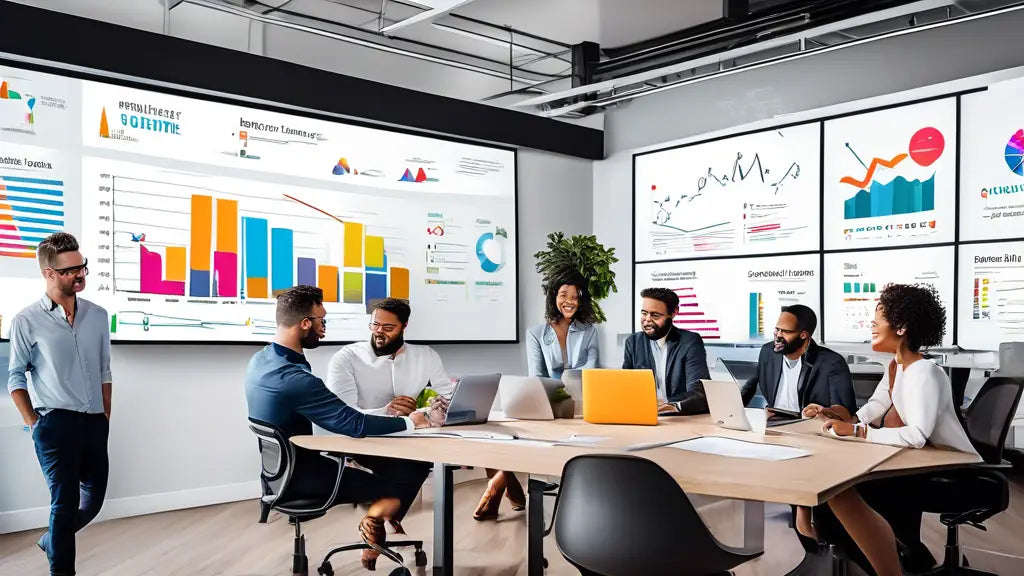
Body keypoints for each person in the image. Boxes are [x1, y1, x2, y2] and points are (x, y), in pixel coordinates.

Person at [245, 286, 448, 570]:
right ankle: (380, 527)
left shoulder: (262, 361)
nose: (323, 329)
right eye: (321, 321)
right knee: (394, 491)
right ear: (305, 323)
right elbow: (352, 422)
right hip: (306, 476)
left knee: (410, 466)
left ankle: (385, 530)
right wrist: (411, 421)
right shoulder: (297, 379)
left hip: (280, 473)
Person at [800, 284, 977, 576]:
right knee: (840, 492)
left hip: (955, 472)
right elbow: (871, 410)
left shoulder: (925, 372)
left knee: (847, 491)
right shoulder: (896, 367)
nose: (871, 323)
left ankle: (891, 566)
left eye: (878, 318)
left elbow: (917, 435)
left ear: (903, 326)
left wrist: (858, 433)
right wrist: (831, 415)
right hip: (925, 466)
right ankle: (902, 559)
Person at [7, 232, 112, 576]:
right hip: (55, 425)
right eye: (70, 270)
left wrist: (105, 415)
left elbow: (104, 370)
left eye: (82, 266)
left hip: (95, 423)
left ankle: (52, 539)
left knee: (93, 502)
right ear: (49, 273)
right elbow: (16, 378)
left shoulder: (98, 315)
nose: (80, 274)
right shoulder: (26, 320)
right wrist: (34, 422)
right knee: (64, 504)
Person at [473, 276, 600, 521]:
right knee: (511, 438)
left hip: (582, 404)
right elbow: (536, 375)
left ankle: (496, 487)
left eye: (575, 296)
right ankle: (504, 486)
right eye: (564, 295)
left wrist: (571, 392)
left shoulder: (589, 331)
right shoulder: (537, 333)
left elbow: (590, 370)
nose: (569, 301)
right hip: (546, 401)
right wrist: (554, 396)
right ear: (554, 296)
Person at [326, 297, 453, 530]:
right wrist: (388, 411)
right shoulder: (346, 358)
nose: (378, 332)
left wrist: (430, 409)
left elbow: (449, 395)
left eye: (387, 327)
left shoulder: (426, 355)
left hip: (407, 436)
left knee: (417, 462)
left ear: (404, 326)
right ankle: (381, 525)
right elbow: (342, 413)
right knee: (411, 466)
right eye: (374, 325)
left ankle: (377, 526)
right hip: (362, 438)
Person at [739, 304, 857, 547]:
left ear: (804, 335)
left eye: (785, 331)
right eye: (776, 329)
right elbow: (754, 383)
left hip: (813, 434)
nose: (778, 336)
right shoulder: (767, 352)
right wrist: (734, 408)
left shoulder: (831, 363)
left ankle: (808, 524)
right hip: (776, 430)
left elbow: (846, 414)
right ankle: (802, 523)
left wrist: (823, 411)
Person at [622, 287, 711, 414]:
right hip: (643, 415)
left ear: (674, 313)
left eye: (655, 315)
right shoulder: (633, 343)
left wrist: (671, 406)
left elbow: (699, 393)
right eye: (644, 313)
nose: (647, 320)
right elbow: (626, 387)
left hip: (680, 418)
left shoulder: (690, 342)